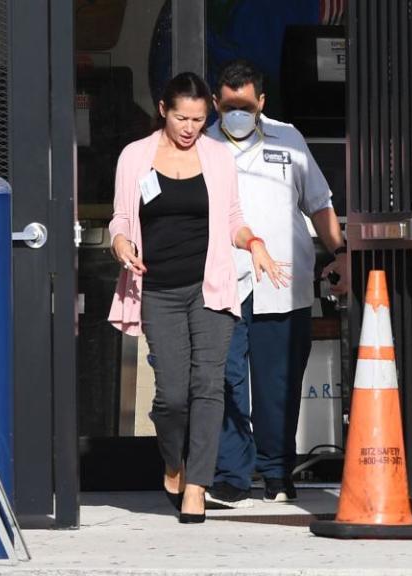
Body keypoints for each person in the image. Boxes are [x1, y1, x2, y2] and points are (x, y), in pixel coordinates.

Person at [107, 72, 286, 523]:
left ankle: (196, 486)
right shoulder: (135, 157)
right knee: (171, 397)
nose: (190, 128)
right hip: (159, 291)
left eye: (199, 119)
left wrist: (254, 243)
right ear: (164, 111)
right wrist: (121, 244)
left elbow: (232, 217)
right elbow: (121, 219)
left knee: (208, 387)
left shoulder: (217, 157)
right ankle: (173, 462)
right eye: (182, 117)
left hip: (210, 289)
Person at [204, 60, 349, 508]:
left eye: (245, 105)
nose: (237, 113)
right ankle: (230, 473)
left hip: (282, 280)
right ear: (216, 103)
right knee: (225, 380)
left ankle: (275, 472)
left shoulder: (290, 138)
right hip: (221, 282)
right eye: (229, 106)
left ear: (261, 102)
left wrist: (340, 253)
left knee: (278, 383)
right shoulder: (201, 145)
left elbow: (319, 202)